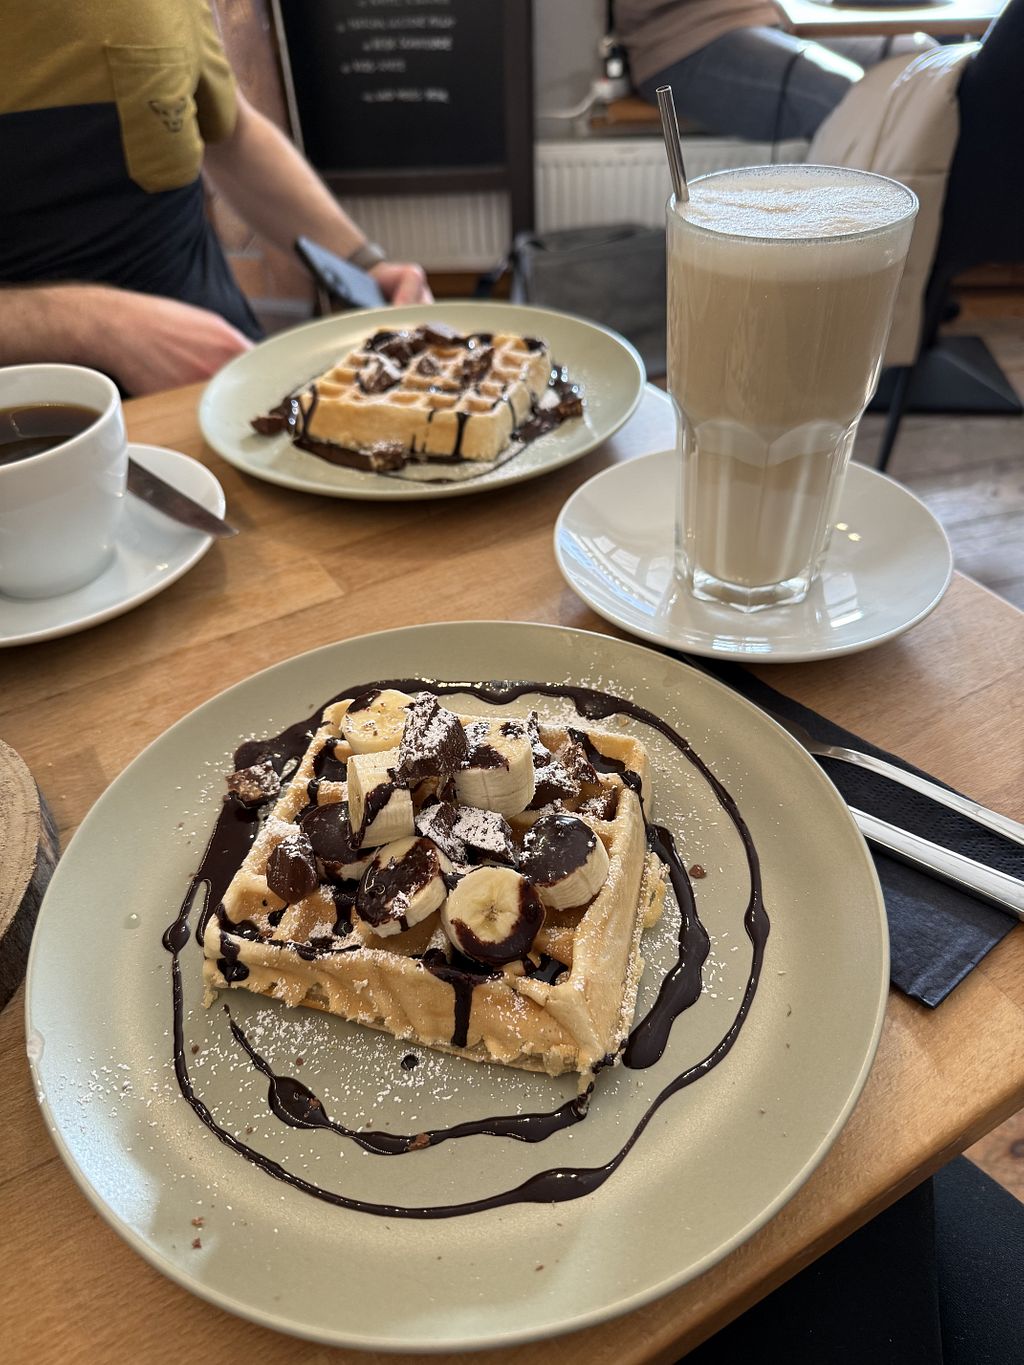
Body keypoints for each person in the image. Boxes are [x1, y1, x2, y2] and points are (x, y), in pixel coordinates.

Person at [0, 2, 432, 396]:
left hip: (220, 370)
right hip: (35, 416)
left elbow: (231, 131)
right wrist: (93, 324)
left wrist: (364, 265)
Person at [616, 0, 934, 143]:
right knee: (846, 97)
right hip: (684, 35)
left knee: (921, 59)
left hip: (776, 13)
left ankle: (936, 239)